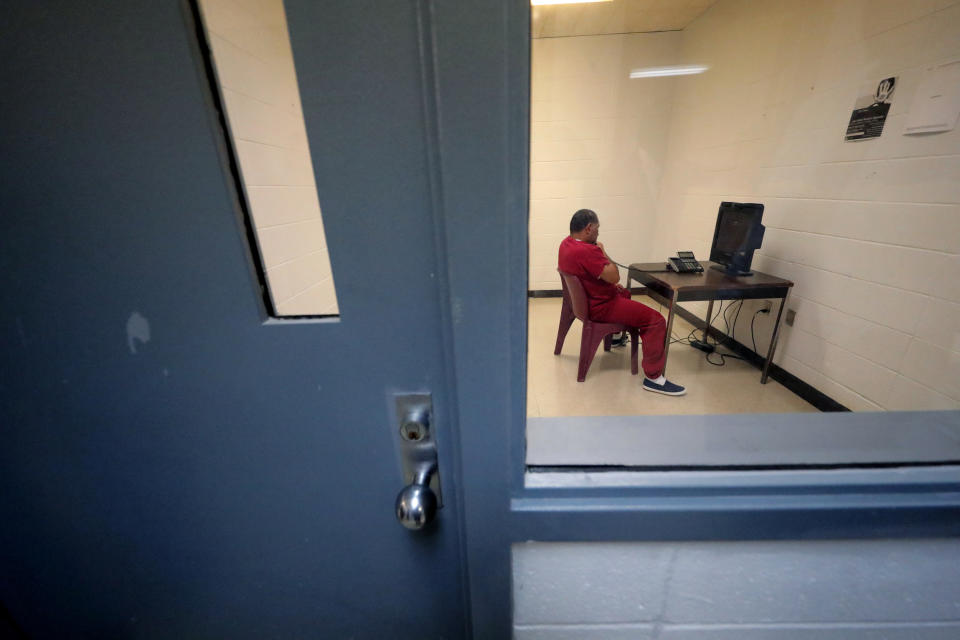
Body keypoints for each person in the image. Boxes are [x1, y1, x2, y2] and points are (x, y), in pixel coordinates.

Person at [558, 209, 686, 396]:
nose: (598, 233)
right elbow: (614, 275)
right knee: (656, 320)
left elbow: (603, 278)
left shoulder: (566, 243)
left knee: (624, 292)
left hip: (585, 302)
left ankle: (617, 335)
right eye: (597, 229)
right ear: (588, 229)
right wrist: (603, 251)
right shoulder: (588, 251)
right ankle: (654, 378)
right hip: (601, 307)